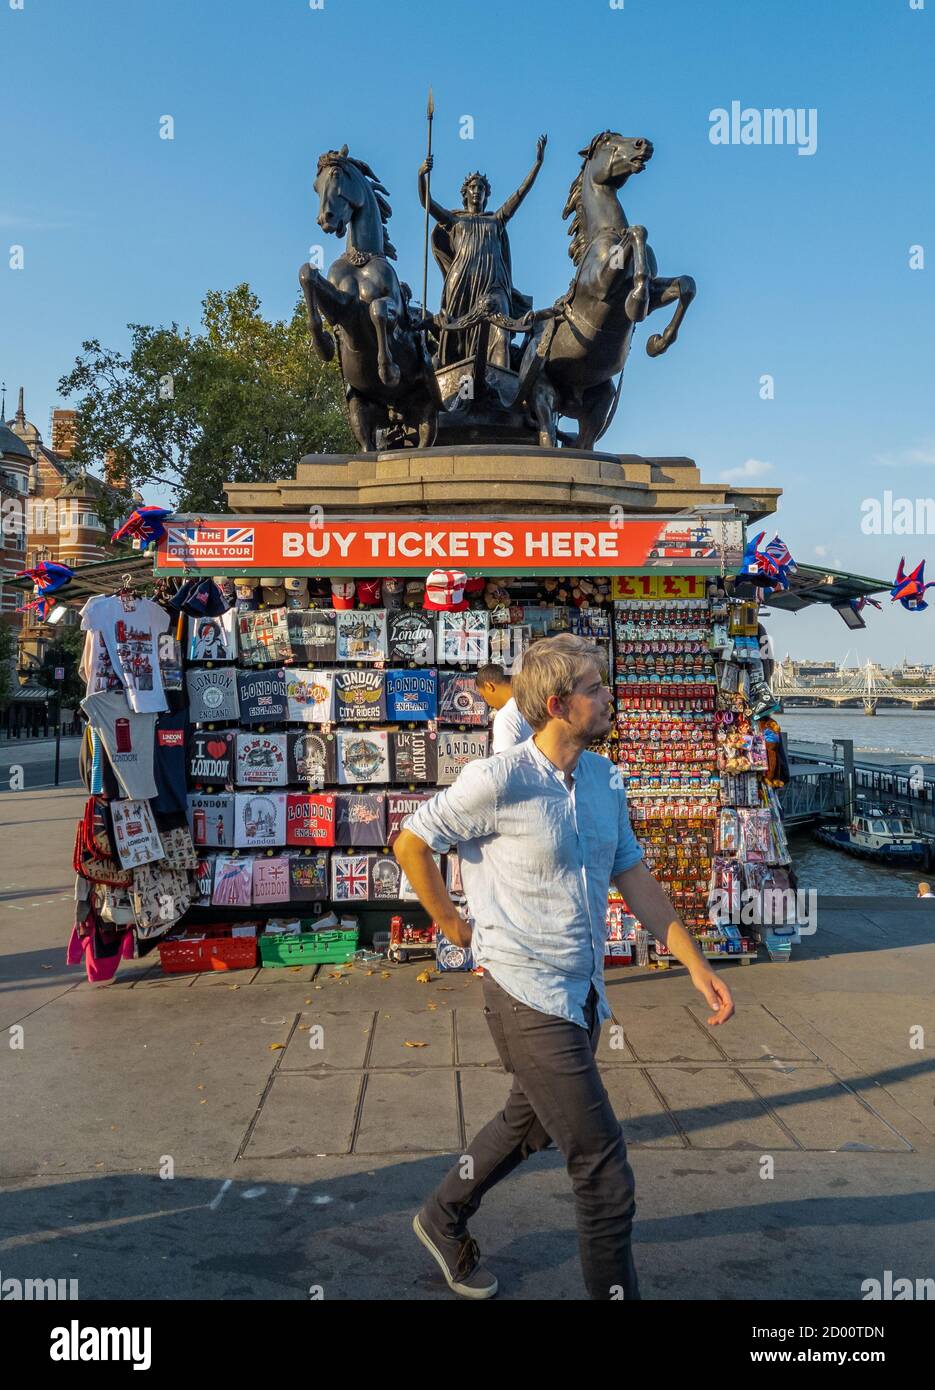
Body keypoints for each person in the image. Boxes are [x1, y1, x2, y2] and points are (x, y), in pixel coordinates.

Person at [394, 634, 735, 1301]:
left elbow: (630, 871)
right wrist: (454, 926)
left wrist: (692, 961)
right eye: (594, 687)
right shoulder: (499, 777)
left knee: (527, 1124)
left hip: (581, 991)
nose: (607, 697)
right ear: (557, 704)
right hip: (521, 988)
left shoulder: (605, 778)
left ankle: (441, 1216)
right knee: (603, 1171)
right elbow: (411, 841)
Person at [418, 136, 546, 367]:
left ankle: (500, 381)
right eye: (473, 187)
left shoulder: (496, 220)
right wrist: (421, 175)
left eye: (481, 188)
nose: (477, 191)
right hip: (461, 287)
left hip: (494, 285)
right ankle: (456, 380)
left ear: (487, 194)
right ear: (465, 193)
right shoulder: (454, 220)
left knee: (500, 334)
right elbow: (426, 202)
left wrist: (537, 164)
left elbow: (520, 194)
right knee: (456, 341)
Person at [475, 663, 532, 753]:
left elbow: (505, 763)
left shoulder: (506, 715)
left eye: (483, 696)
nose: (487, 703)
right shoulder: (534, 704)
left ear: (489, 686)